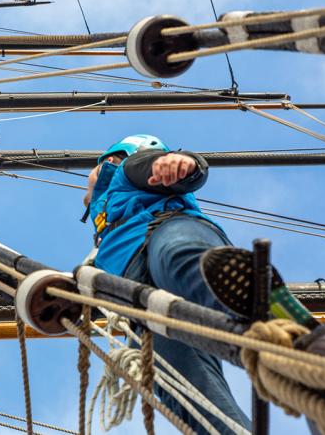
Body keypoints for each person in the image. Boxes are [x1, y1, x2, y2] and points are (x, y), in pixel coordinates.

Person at [81, 134, 250, 434]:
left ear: (112, 159)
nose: (87, 184)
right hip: (136, 294)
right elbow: (59, 296)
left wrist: (181, 163)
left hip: (168, 230)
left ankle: (287, 327)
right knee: (186, 392)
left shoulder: (125, 173)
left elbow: (156, 167)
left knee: (180, 260)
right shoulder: (102, 241)